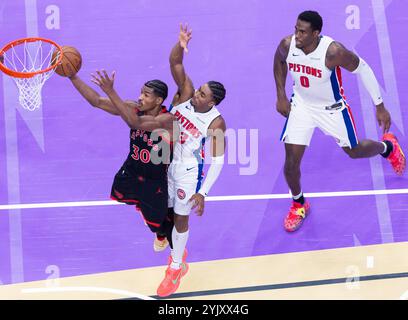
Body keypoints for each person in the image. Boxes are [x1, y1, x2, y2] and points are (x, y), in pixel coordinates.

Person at [273, 10, 406, 232]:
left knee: (353, 151)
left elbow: (362, 68)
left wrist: (380, 105)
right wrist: (281, 95)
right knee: (290, 164)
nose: (297, 35)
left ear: (316, 33)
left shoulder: (333, 52)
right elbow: (279, 60)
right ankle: (298, 203)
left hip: (332, 109)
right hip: (302, 107)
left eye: (303, 32)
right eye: (296, 29)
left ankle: (388, 147)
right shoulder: (288, 45)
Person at [69, 70, 178, 251]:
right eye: (141, 92)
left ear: (159, 101)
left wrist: (111, 91)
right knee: (120, 192)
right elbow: (96, 101)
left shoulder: (168, 120)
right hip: (132, 170)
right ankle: (141, 203)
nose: (140, 97)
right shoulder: (133, 108)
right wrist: (72, 76)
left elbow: (136, 123)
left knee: (157, 223)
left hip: (154, 179)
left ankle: (166, 240)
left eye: (146, 95)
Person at [156, 24, 227, 297]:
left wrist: (202, 192)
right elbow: (175, 61)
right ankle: (173, 242)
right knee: (162, 212)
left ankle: (175, 268)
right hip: (162, 162)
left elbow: (218, 161)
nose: (196, 94)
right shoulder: (185, 94)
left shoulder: (216, 122)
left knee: (181, 219)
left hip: (187, 172)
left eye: (202, 94)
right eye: (198, 90)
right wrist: (181, 45)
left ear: (212, 102)